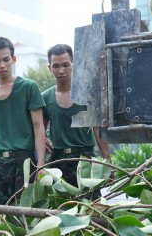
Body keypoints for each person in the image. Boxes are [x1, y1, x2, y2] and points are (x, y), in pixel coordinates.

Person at [0, 37, 47, 205]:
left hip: (23, 161)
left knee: (22, 214)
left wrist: (41, 163)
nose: (2, 65)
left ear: (13, 59)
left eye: (6, 60)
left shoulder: (29, 87)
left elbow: (39, 127)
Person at [42, 44, 110, 187]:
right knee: (58, 206)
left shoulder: (88, 94)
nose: (61, 70)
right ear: (49, 68)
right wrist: (41, 164)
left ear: (74, 64)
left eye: (65, 65)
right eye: (56, 66)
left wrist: (108, 162)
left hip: (85, 159)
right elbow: (39, 130)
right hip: (57, 162)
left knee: (89, 204)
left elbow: (98, 129)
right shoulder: (45, 97)